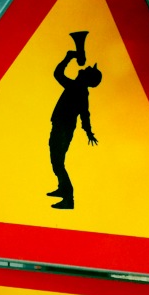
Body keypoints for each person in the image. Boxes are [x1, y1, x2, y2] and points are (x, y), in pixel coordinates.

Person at [48, 50, 102, 210]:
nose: (84, 68)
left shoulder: (76, 88)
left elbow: (58, 74)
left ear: (87, 78)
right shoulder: (81, 90)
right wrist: (88, 131)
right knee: (57, 161)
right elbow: (85, 114)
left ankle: (68, 198)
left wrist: (68, 58)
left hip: (62, 129)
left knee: (57, 163)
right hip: (63, 128)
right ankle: (62, 188)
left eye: (87, 70)